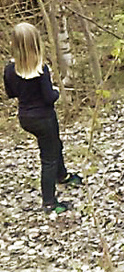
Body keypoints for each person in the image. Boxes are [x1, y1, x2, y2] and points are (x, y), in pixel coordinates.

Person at [4, 23, 82, 214]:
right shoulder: (41, 69)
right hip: (44, 118)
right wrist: (56, 91)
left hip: (26, 118)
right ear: (35, 43)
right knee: (49, 159)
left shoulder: (9, 70)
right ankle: (49, 202)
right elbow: (49, 98)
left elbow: (11, 93)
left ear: (14, 44)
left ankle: (62, 175)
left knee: (55, 145)